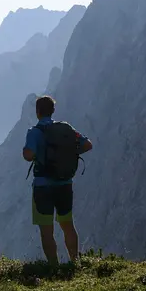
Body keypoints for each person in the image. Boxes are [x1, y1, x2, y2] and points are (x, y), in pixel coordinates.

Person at [22, 95, 92, 266]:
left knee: (46, 230)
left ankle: (53, 267)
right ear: (53, 111)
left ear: (38, 112)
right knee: (68, 225)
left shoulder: (34, 132)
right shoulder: (66, 129)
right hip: (64, 184)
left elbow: (28, 155)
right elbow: (87, 145)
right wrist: (68, 154)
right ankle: (75, 262)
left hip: (42, 186)